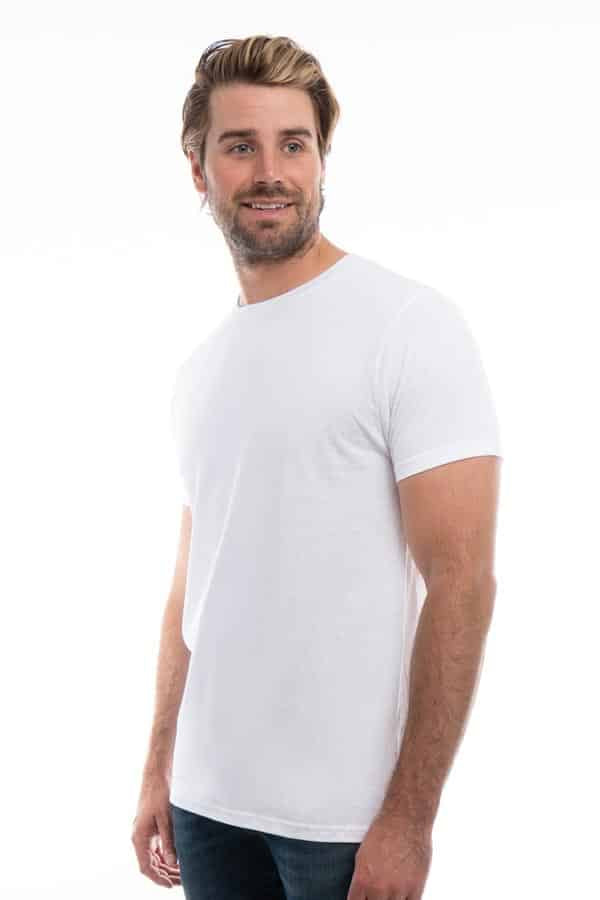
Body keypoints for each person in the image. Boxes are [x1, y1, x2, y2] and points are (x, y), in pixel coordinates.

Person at [131, 34, 503, 900]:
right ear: (198, 168)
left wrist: (409, 819)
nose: (270, 172)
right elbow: (191, 588)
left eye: (293, 144)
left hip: (342, 823)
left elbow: (462, 580)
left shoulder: (407, 326)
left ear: (322, 159)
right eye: (240, 146)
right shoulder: (201, 369)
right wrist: (158, 767)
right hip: (206, 803)